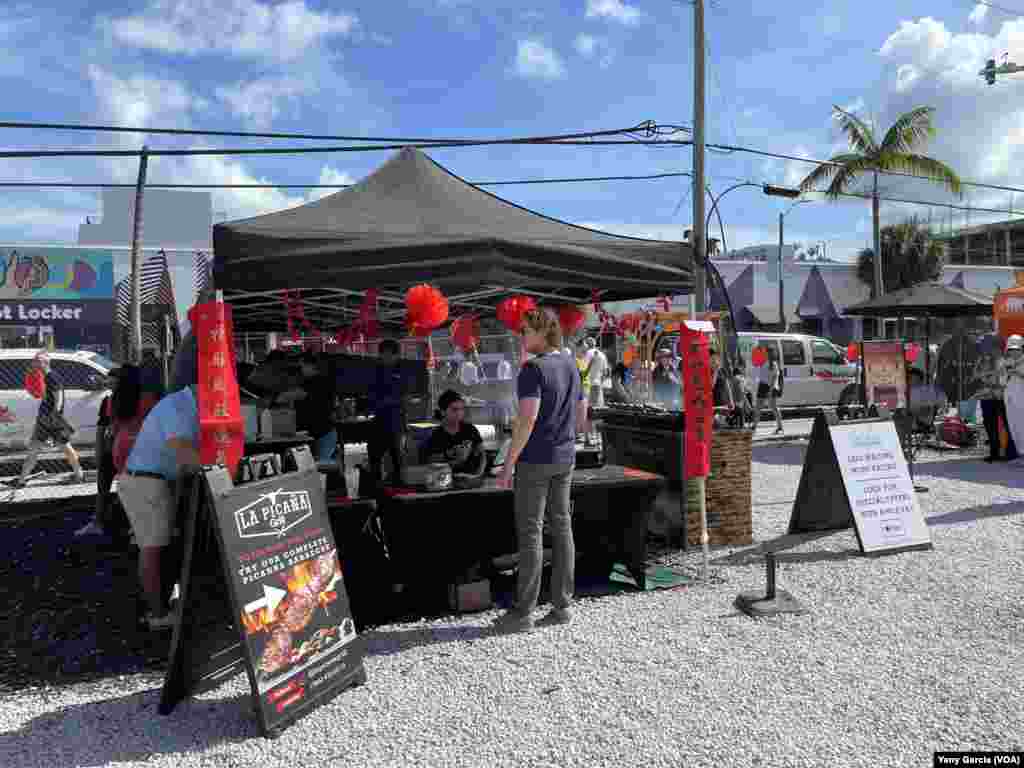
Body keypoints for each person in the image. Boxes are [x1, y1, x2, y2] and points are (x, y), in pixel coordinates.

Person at [494, 308, 587, 633]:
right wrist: (568, 436)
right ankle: (562, 606)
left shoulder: (532, 370)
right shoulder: (571, 365)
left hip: (535, 460)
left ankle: (524, 612)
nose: (521, 336)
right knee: (562, 528)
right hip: (565, 456)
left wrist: (508, 465)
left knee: (531, 533)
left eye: (525, 331)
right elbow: (581, 412)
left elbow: (527, 420)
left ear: (541, 332)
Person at [118, 363, 200, 630]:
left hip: (151, 481)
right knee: (152, 551)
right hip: (145, 483)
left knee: (158, 549)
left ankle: (160, 605)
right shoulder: (177, 408)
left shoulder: (183, 404)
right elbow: (187, 458)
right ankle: (157, 615)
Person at [13, 352, 84, 487]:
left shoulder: (52, 377)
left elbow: (59, 400)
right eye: (34, 360)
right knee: (35, 448)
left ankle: (79, 475)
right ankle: (21, 480)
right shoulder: (45, 377)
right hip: (44, 419)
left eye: (37, 361)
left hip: (52, 419)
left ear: (45, 363)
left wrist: (54, 418)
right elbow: (43, 395)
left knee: (65, 448)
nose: (34, 363)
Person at [76, 367, 122, 537]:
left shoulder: (129, 400)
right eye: (108, 379)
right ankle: (99, 520)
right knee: (103, 487)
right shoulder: (107, 401)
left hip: (123, 451)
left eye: (112, 379)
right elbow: (101, 429)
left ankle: (109, 519)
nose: (108, 382)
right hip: (111, 451)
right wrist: (99, 451)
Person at [281, 353, 337, 461]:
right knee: (318, 469)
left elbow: (293, 395)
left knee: (320, 468)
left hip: (323, 433)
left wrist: (276, 398)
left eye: (302, 366)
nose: (300, 370)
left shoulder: (317, 381)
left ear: (310, 366)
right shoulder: (320, 380)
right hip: (320, 432)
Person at [368, 339, 407, 486]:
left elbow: (401, 396)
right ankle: (375, 485)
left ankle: (399, 485)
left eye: (389, 354)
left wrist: (385, 400)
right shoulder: (376, 371)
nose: (385, 357)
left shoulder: (402, 371)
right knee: (374, 454)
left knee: (397, 455)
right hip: (379, 420)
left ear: (396, 355)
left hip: (396, 421)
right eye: (383, 354)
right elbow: (371, 394)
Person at [419, 390, 485, 476]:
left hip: (471, 479)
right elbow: (430, 460)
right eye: (454, 409)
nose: (459, 413)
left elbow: (482, 454)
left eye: (462, 409)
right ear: (443, 412)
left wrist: (478, 474)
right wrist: (450, 454)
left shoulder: (470, 429)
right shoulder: (436, 435)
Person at [976, 336, 1018, 462]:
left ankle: (1012, 452)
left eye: (988, 346)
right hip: (987, 396)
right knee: (990, 425)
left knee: (1009, 424)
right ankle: (994, 452)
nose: (985, 348)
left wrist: (990, 378)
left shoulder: (1008, 360)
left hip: (1003, 396)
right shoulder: (983, 360)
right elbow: (977, 374)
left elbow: (1008, 378)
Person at [753, 345, 784, 435]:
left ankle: (780, 427)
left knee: (771, 407)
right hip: (763, 385)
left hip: (769, 386)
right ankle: (754, 426)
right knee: (760, 407)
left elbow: (775, 377)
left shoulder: (773, 363)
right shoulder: (764, 362)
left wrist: (770, 390)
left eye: (766, 352)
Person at [582, 337, 607, 446]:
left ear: (587, 344)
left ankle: (589, 437)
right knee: (597, 411)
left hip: (589, 385)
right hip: (598, 385)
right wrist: (600, 381)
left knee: (589, 412)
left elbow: (584, 369)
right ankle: (597, 437)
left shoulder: (587, 353)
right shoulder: (602, 355)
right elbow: (606, 372)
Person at [1002, 334, 1024, 456]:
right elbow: (1002, 381)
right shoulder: (1006, 362)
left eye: (1016, 349)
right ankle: (1021, 452)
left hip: (1021, 397)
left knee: (1022, 425)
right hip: (1009, 398)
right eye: (1011, 349)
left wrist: (1017, 372)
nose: (1013, 352)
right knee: (1013, 426)